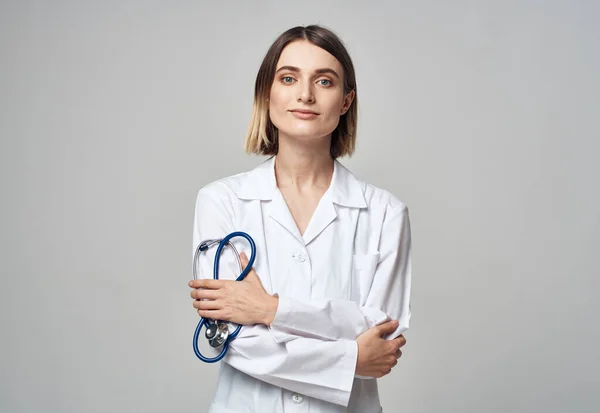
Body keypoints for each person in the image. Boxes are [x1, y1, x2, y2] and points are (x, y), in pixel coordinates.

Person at [188, 25, 412, 413]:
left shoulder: (385, 213)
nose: (305, 94)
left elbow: (378, 338)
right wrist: (350, 360)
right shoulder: (220, 202)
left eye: (324, 81)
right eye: (288, 78)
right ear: (267, 94)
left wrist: (268, 310)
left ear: (345, 101)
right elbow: (236, 342)